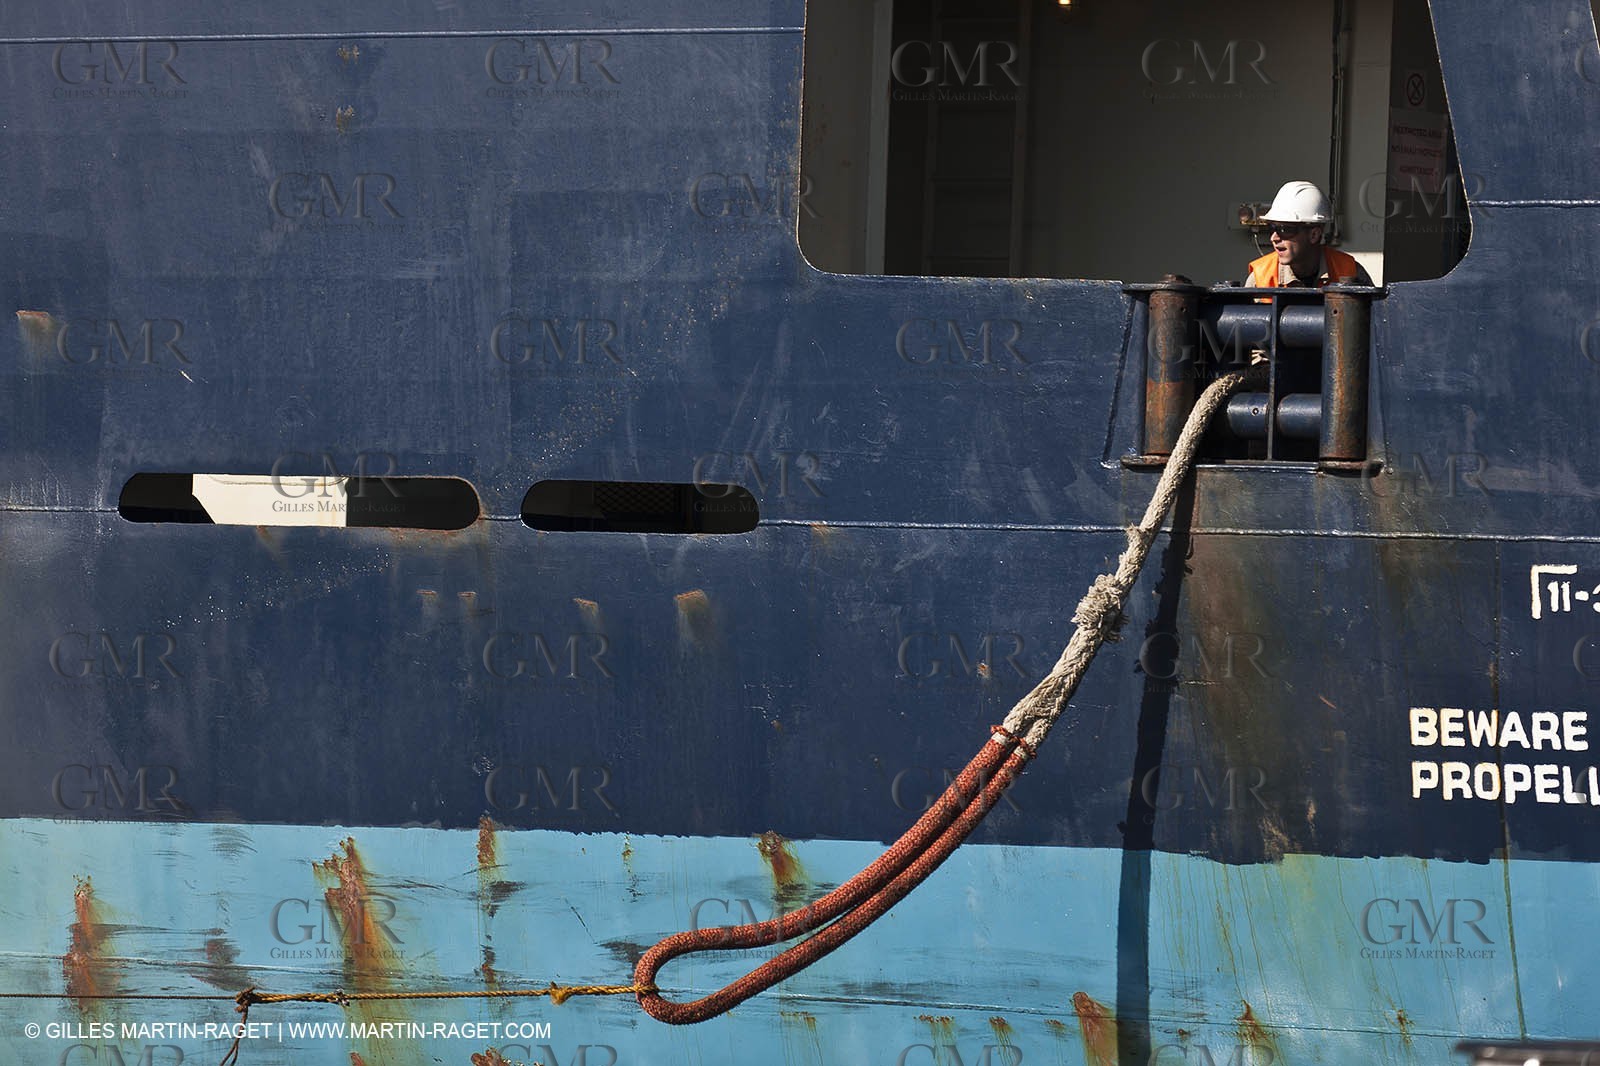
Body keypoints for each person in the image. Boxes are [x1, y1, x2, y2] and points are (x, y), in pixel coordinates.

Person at [1245, 180, 1372, 288]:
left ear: (1314, 235)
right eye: (1272, 228)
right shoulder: (1260, 278)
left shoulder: (1350, 272)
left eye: (1285, 230)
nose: (1274, 238)